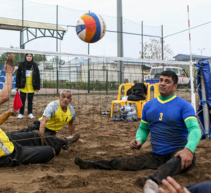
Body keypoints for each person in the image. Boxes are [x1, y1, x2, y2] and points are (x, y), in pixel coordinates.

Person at [74, 70, 202, 188]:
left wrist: (188, 150)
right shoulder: (149, 105)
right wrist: (139, 140)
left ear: (175, 87)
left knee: (175, 162)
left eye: (167, 81)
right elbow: (143, 128)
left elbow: (195, 130)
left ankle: (150, 180)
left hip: (178, 152)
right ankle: (90, 164)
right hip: (156, 155)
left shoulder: (184, 105)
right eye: (161, 80)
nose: (162, 83)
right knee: (125, 162)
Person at [19, 89, 83, 143]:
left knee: (50, 141)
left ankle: (67, 140)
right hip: (39, 125)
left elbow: (71, 123)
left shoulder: (71, 111)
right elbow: (44, 121)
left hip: (51, 131)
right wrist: (41, 137)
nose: (65, 99)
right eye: (63, 97)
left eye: (68, 97)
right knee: (22, 134)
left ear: (70, 100)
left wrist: (74, 137)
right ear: (59, 98)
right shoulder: (53, 105)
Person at [15, 53, 41, 119]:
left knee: (30, 101)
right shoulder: (21, 64)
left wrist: (37, 87)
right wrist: (17, 85)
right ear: (25, 57)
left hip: (31, 86)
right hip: (23, 85)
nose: (29, 57)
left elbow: (37, 76)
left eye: (30, 56)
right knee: (22, 101)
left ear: (32, 57)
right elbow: (18, 76)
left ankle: (30, 113)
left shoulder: (35, 65)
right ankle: (21, 113)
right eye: (28, 56)